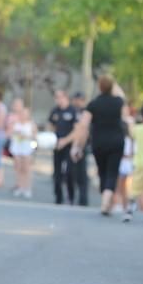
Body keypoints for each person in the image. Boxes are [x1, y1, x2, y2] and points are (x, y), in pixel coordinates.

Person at [69, 75, 126, 215]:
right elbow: (121, 95)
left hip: (99, 142)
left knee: (102, 171)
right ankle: (107, 201)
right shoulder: (118, 102)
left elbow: (83, 126)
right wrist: (113, 85)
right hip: (116, 142)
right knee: (112, 172)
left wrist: (77, 145)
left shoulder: (93, 104)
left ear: (99, 87)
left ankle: (104, 200)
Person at [49, 89, 79, 204]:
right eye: (56, 97)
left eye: (60, 97)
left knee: (69, 172)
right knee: (57, 173)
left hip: (69, 145)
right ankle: (58, 197)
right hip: (57, 146)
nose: (58, 99)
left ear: (65, 97)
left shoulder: (72, 111)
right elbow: (51, 125)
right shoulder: (55, 111)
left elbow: (77, 130)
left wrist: (65, 140)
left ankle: (71, 196)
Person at [8, 106, 37, 199]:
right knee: (18, 167)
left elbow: (35, 137)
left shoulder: (31, 124)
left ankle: (27, 188)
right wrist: (15, 133)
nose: (23, 115)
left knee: (26, 168)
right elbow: (9, 133)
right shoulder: (15, 123)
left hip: (27, 148)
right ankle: (19, 186)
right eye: (22, 113)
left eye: (25, 114)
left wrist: (26, 136)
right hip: (17, 148)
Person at [70, 91, 89, 206]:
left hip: (81, 146)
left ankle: (83, 200)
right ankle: (74, 198)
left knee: (82, 174)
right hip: (75, 144)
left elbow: (84, 131)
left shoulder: (85, 112)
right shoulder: (74, 111)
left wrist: (79, 147)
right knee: (73, 174)